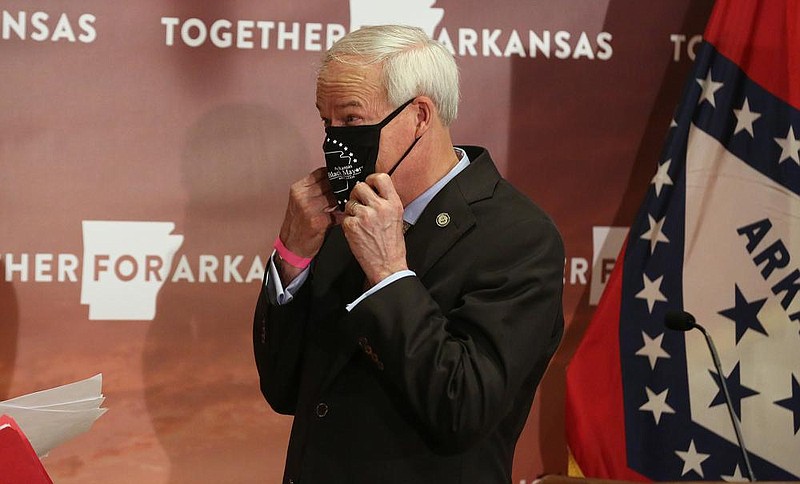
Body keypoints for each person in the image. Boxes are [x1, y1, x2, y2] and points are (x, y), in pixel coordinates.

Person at [253, 24, 564, 484]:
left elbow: (462, 408)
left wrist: (388, 275)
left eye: (352, 120)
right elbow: (283, 388)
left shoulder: (518, 236)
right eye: (326, 122)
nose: (334, 140)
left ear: (420, 116)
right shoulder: (346, 214)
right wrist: (292, 257)